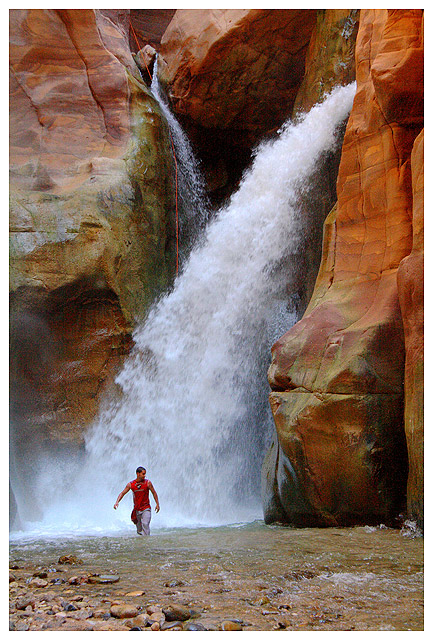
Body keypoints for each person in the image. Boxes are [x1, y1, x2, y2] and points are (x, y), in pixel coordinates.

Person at [114, 466, 160, 535]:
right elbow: (122, 493)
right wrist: (117, 502)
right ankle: (142, 540)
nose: (145, 476)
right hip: (137, 509)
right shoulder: (131, 484)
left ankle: (147, 541)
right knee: (139, 530)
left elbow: (154, 493)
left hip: (146, 508)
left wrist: (157, 504)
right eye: (143, 474)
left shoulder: (148, 483)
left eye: (145, 474)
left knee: (145, 523)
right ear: (138, 474)